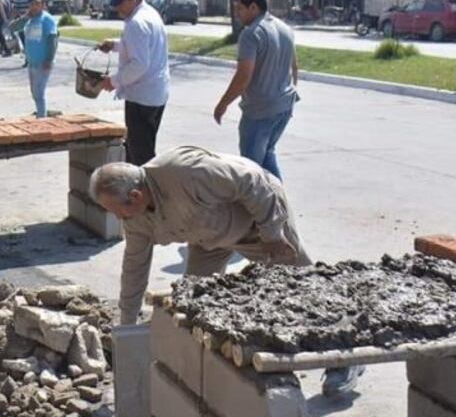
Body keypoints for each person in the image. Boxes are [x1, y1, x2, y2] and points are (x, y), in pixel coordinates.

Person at [90, 146, 364, 397]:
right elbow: (134, 268)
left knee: (302, 290)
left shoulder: (187, 172)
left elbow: (252, 182)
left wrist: (271, 232)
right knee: (195, 300)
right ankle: (218, 371)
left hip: (260, 222)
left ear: (135, 196)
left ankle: (345, 358)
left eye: (118, 212)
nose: (118, 219)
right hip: (209, 238)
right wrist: (126, 327)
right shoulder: (136, 219)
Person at [214, 0, 299, 181]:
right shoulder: (284, 28)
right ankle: (279, 203)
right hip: (284, 106)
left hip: (261, 111)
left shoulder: (251, 34)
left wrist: (223, 104)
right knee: (267, 155)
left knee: (250, 168)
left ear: (253, 7)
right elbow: (295, 66)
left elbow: (244, 76)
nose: (236, 14)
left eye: (239, 9)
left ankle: (262, 208)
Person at [96, 0, 171, 166]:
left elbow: (139, 64)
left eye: (121, 3)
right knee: (139, 147)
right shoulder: (150, 15)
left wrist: (113, 81)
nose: (118, 8)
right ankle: (137, 189)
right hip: (155, 93)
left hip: (141, 97)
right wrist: (114, 45)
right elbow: (140, 47)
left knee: (140, 155)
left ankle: (146, 191)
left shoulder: (136, 23)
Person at [10, 0, 58, 117]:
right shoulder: (30, 20)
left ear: (42, 5)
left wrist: (49, 59)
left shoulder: (47, 20)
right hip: (32, 62)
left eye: (37, 4)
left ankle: (42, 118)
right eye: (32, 4)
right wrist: (25, 17)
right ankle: (41, 114)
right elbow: (12, 27)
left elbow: (52, 40)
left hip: (43, 63)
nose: (34, 6)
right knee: (34, 93)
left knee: (39, 93)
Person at [13, 0, 34, 67]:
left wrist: (16, 19)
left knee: (25, 42)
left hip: (22, 22)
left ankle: (28, 60)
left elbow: (15, 10)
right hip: (32, 21)